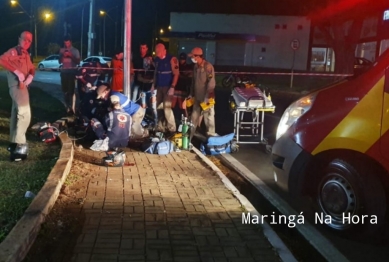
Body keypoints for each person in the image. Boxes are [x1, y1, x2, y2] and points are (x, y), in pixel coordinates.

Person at [0, 31, 35, 161]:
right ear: (19, 39)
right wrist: (16, 71)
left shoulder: (25, 54)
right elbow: (2, 59)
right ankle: (20, 144)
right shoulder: (14, 51)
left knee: (16, 114)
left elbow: (32, 68)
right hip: (16, 86)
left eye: (29, 41)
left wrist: (31, 75)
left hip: (23, 87)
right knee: (24, 114)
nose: (26, 42)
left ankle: (14, 143)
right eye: (24, 39)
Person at [188, 47, 216, 138]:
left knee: (208, 119)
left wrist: (207, 96)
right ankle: (189, 137)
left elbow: (211, 82)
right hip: (197, 97)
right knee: (193, 118)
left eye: (193, 56)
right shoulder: (195, 67)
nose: (192, 58)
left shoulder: (208, 66)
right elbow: (193, 81)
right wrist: (191, 94)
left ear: (198, 56)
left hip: (207, 98)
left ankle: (211, 139)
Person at [153, 43, 179, 134]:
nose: (157, 54)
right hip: (159, 86)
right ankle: (161, 126)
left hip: (168, 87)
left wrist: (172, 87)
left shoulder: (172, 59)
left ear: (164, 51)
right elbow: (156, 73)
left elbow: (176, 74)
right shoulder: (157, 60)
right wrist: (153, 85)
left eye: (159, 52)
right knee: (158, 107)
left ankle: (172, 128)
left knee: (167, 108)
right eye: (156, 52)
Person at [59, 36, 80, 115]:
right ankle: (67, 107)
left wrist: (71, 55)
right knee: (65, 91)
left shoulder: (75, 51)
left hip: (72, 73)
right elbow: (59, 62)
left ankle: (73, 107)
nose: (66, 45)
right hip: (64, 72)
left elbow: (78, 61)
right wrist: (63, 56)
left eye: (67, 43)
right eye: (65, 43)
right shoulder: (61, 50)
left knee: (72, 91)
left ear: (70, 42)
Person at [172, 52, 193, 117]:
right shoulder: (177, 66)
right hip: (176, 87)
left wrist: (191, 56)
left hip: (183, 88)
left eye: (183, 59)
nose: (182, 60)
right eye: (181, 59)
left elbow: (189, 75)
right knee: (172, 105)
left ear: (185, 59)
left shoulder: (188, 66)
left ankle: (186, 120)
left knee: (183, 107)